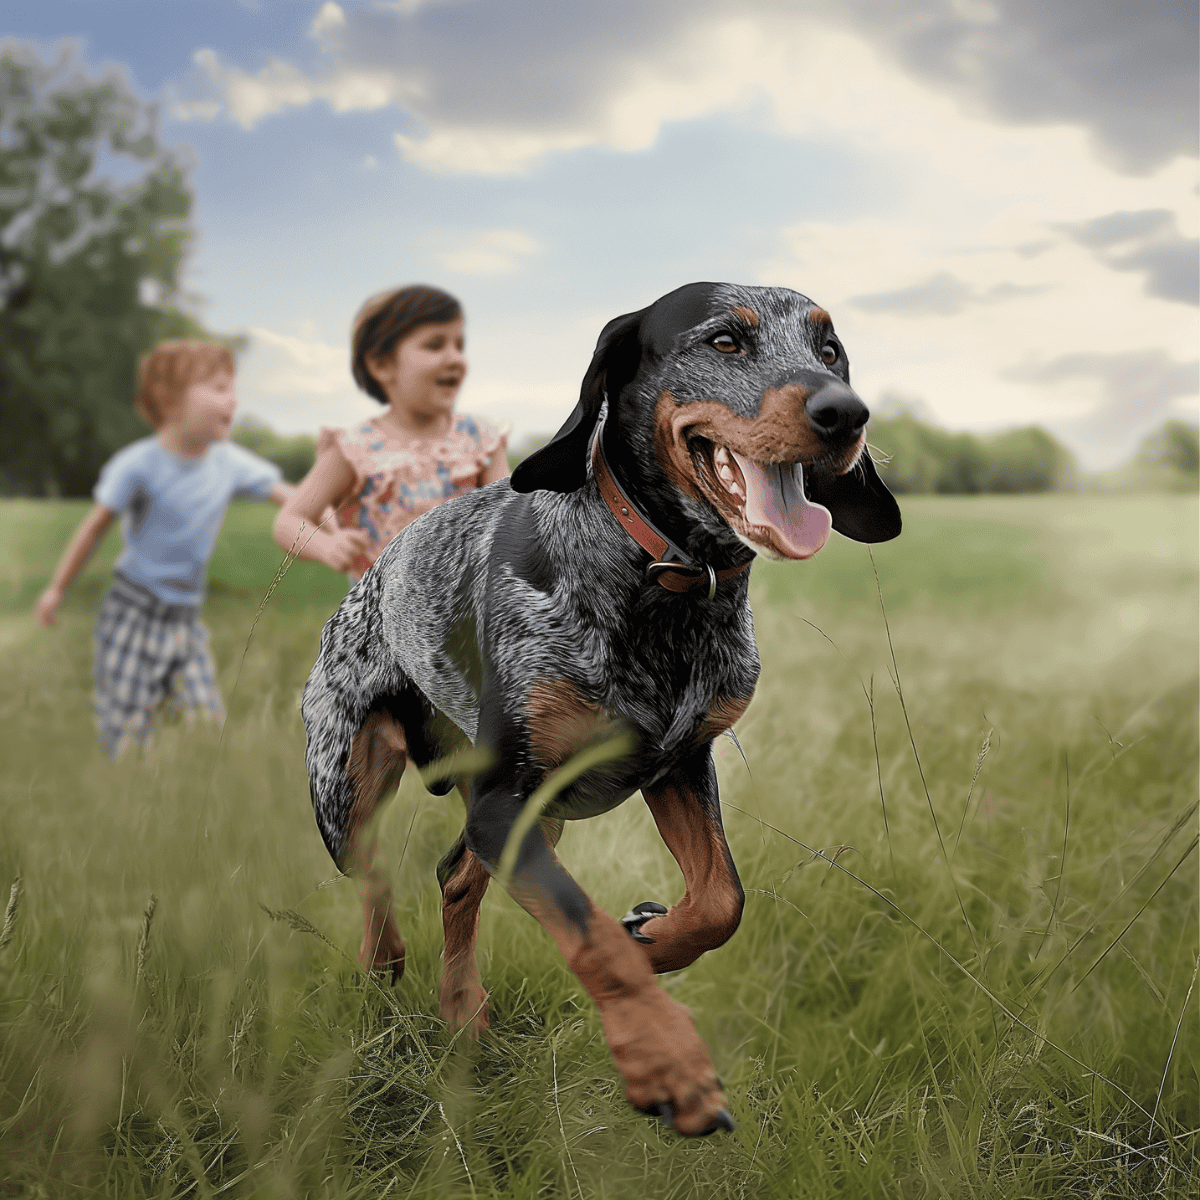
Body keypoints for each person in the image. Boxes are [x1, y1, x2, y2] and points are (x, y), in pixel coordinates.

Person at [35, 340, 293, 757]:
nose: (233, 398)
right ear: (170, 400)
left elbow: (294, 499)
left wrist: (335, 534)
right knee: (126, 729)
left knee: (208, 728)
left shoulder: (229, 461)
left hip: (185, 618)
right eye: (218, 387)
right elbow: (95, 527)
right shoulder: (138, 464)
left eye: (233, 389)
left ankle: (192, 797)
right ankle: (125, 800)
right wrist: (57, 589)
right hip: (133, 610)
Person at [273, 285, 509, 581]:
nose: (455, 359)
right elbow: (290, 519)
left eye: (459, 345)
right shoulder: (356, 449)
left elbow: (511, 517)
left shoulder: (480, 440)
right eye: (435, 345)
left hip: (466, 613)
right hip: (382, 616)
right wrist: (327, 545)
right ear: (382, 365)